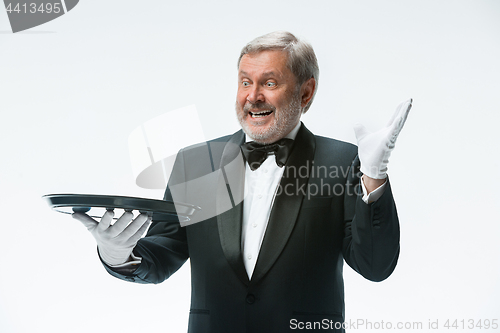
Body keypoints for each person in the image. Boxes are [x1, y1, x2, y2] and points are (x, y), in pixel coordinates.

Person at [73, 31, 411, 333]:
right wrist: (117, 253)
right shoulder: (197, 164)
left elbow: (375, 265)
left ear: (305, 92)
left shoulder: (342, 162)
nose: (253, 96)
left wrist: (374, 175)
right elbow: (163, 254)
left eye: (269, 82)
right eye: (245, 82)